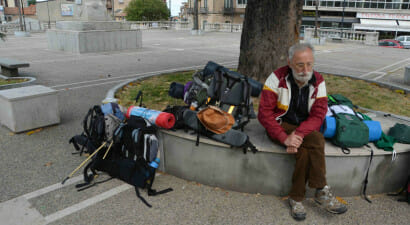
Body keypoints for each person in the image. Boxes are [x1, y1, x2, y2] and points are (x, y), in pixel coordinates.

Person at [257, 43, 347, 221]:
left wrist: (297, 136)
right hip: (279, 124)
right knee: (315, 142)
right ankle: (320, 190)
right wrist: (284, 138)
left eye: (309, 64)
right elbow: (264, 114)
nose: (305, 70)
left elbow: (319, 114)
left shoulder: (318, 81)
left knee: (308, 147)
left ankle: (296, 198)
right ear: (289, 62)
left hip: (303, 128)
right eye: (300, 64)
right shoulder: (276, 78)